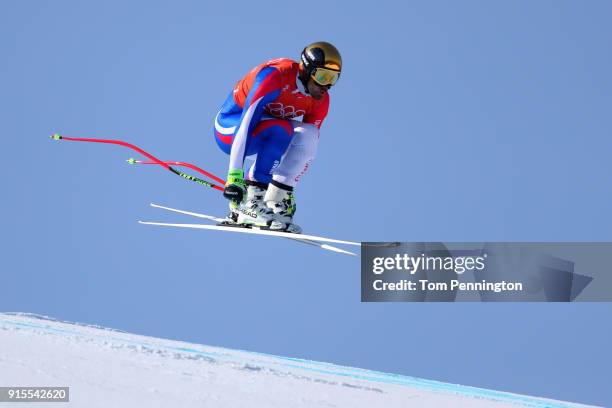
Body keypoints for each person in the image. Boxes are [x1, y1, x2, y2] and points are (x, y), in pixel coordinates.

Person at [213, 41, 342, 233]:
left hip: (267, 133)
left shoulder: (320, 101)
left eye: (334, 78)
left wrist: (286, 187)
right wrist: (234, 177)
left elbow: (305, 148)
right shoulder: (275, 77)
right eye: (323, 76)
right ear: (307, 70)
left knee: (309, 135)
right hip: (230, 129)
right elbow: (246, 123)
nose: (327, 86)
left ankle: (275, 197)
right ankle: (252, 198)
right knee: (281, 128)